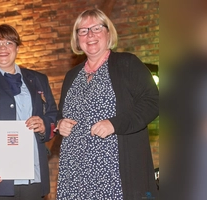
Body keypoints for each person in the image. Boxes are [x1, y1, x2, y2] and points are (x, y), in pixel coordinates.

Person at [55, 9, 159, 199]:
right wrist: (60, 124)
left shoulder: (127, 63)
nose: (90, 35)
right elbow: (60, 113)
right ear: (77, 39)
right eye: (83, 31)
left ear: (108, 33)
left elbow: (153, 101)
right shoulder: (71, 76)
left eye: (96, 28)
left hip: (114, 175)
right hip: (74, 174)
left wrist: (114, 124)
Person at [0, 24, 58, 200]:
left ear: (17, 47)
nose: (3, 48)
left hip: (33, 175)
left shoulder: (38, 79)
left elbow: (53, 115)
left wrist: (44, 124)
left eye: (8, 43)